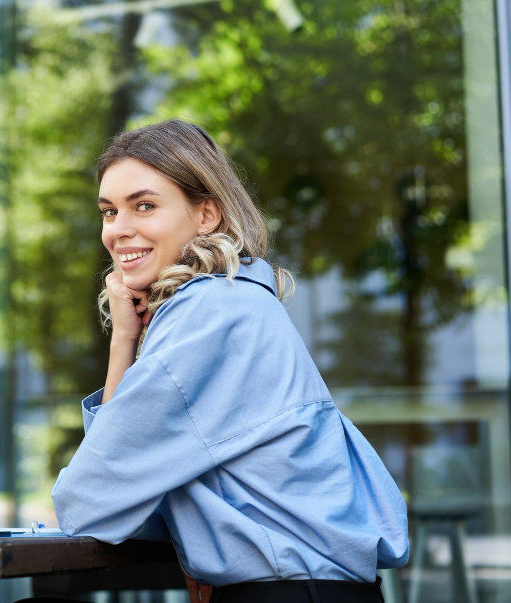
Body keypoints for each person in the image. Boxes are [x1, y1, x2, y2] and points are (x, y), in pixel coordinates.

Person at [49, 120, 409, 603]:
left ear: (207, 215)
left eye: (145, 206)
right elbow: (127, 505)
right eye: (109, 212)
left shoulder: (207, 315)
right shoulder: (231, 303)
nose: (119, 230)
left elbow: (89, 502)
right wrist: (125, 342)